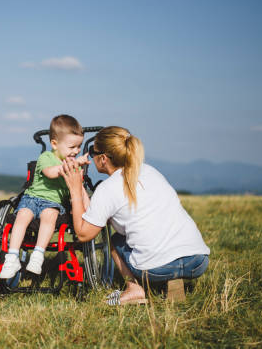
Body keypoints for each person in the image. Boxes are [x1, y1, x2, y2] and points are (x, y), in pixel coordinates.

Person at [60, 126, 210, 305]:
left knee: (115, 240)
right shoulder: (150, 171)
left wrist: (75, 189)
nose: (91, 156)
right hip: (197, 261)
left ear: (103, 158)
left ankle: (134, 289)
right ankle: (174, 280)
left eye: (93, 151)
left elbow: (84, 233)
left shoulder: (107, 189)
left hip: (156, 268)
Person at [0, 115, 90, 278]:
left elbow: (78, 189)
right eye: (72, 147)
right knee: (22, 217)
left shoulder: (73, 166)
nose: (76, 151)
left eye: (79, 146)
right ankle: (12, 257)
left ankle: (38, 255)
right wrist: (74, 164)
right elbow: (51, 172)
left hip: (52, 203)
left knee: (50, 216)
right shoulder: (46, 158)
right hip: (32, 198)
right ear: (54, 144)